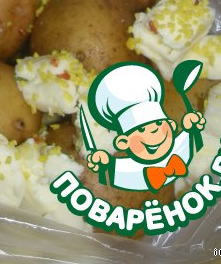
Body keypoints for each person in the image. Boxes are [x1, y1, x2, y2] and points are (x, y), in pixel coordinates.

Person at [86, 62, 205, 192]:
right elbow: (111, 171)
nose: (153, 133)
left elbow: (191, 141)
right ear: (123, 142)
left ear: (171, 125)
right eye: (142, 129)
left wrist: (191, 127)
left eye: (158, 124)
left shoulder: (179, 149)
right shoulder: (131, 169)